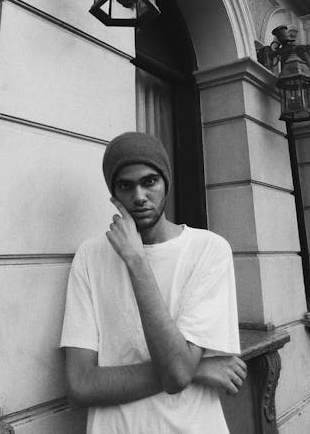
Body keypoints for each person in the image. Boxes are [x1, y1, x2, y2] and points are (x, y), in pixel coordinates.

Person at [60, 131, 246, 433]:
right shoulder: (90, 256)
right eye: (126, 186)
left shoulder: (209, 250)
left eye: (149, 182)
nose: (139, 196)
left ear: (166, 184)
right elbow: (81, 385)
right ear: (114, 195)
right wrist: (195, 369)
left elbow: (176, 373)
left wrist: (137, 261)